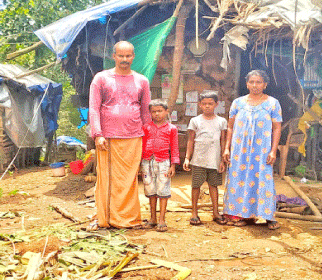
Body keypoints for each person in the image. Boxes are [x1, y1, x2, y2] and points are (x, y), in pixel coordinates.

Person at [89, 41, 151, 229]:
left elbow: (145, 112)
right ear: (113, 56)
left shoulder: (142, 80)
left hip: (133, 136)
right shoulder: (101, 78)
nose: (125, 60)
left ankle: (128, 218)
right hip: (107, 137)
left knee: (129, 180)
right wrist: (98, 134)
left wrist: (148, 136)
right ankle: (106, 219)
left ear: (133, 56)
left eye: (128, 56)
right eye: (121, 56)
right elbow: (93, 108)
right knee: (108, 180)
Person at [222, 69, 282, 229]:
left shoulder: (272, 103)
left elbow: (277, 128)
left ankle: (268, 217)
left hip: (261, 151)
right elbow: (230, 127)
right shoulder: (238, 103)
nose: (255, 85)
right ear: (247, 84)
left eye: (259, 82)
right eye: (252, 82)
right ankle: (243, 215)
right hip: (239, 151)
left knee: (263, 180)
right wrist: (227, 148)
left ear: (265, 84)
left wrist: (273, 150)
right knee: (239, 179)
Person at [183, 91, 227, 226]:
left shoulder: (221, 121)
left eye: (210, 103)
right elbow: (191, 141)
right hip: (198, 160)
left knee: (214, 186)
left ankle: (215, 212)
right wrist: (187, 158)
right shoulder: (195, 121)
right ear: (199, 105)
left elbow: (223, 141)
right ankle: (194, 213)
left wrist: (222, 160)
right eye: (204, 104)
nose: (207, 106)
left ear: (216, 104)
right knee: (196, 186)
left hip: (214, 161)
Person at [141, 99, 179, 232]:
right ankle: (152, 218)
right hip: (147, 162)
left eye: (160, 111)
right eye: (154, 112)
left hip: (163, 162)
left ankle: (162, 219)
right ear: (150, 113)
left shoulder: (171, 129)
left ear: (166, 111)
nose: (157, 114)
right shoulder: (146, 127)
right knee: (150, 190)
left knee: (163, 190)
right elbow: (142, 145)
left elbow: (174, 148)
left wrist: (173, 165)